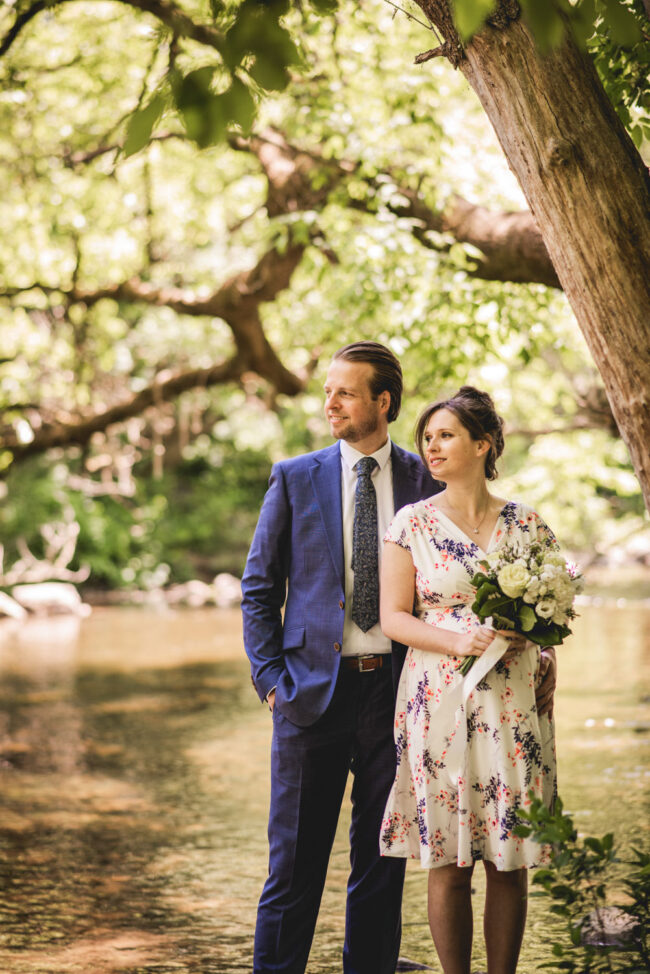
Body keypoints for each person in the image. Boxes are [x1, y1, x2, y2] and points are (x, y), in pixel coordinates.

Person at [241, 341, 439, 974]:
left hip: (397, 693)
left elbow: (449, 587)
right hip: (308, 695)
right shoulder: (294, 477)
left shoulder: (424, 479)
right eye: (328, 391)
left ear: (383, 401)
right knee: (293, 869)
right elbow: (259, 588)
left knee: (381, 869)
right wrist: (271, 681)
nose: (330, 403)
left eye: (345, 393)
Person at [379, 386, 559, 974]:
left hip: (513, 702)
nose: (432, 446)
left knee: (509, 857)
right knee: (450, 859)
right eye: (427, 438)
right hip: (442, 700)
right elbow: (393, 618)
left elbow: (553, 611)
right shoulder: (413, 524)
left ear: (483, 444)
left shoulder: (526, 523)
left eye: (446, 435)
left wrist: (546, 653)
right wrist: (459, 640)